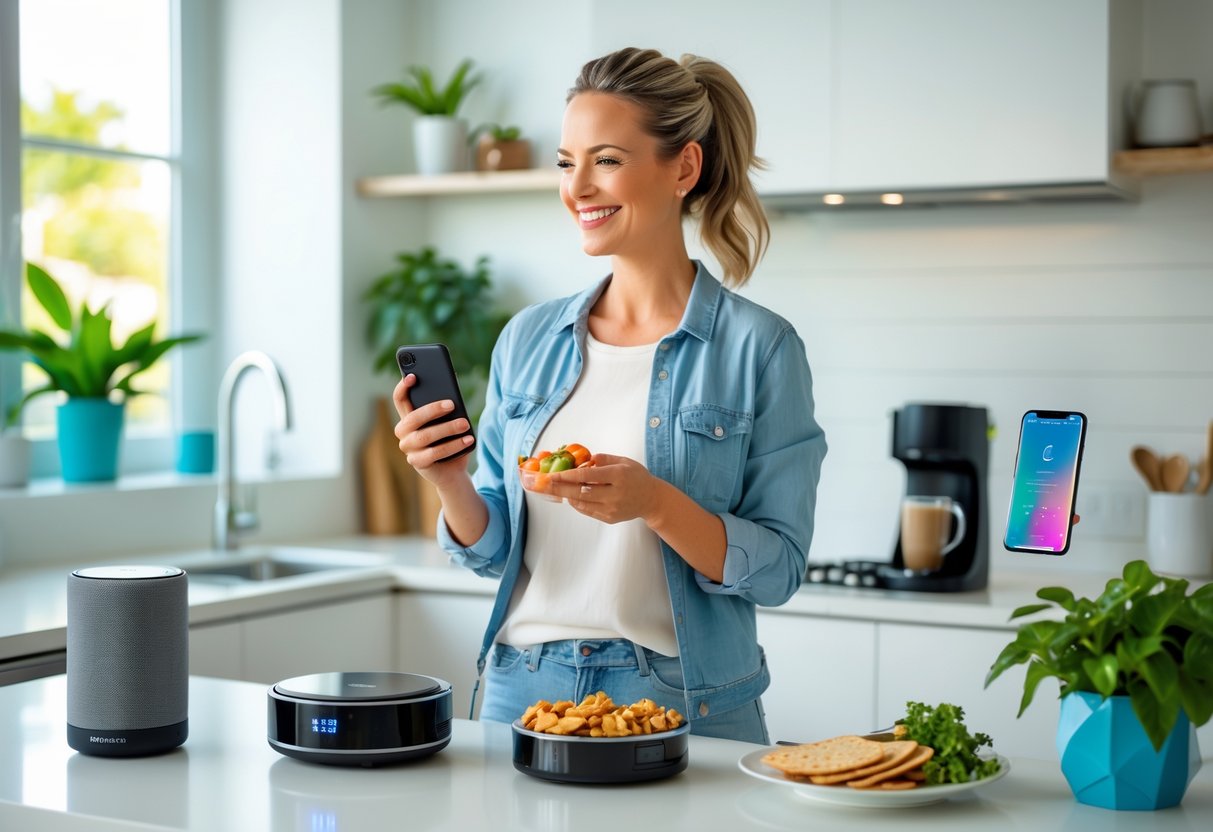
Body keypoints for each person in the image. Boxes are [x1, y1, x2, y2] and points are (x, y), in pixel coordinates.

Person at [392, 47, 826, 744]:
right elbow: (495, 550)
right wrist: (446, 480)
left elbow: (777, 570)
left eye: (606, 160)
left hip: (685, 696)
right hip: (520, 689)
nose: (578, 188)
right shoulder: (528, 337)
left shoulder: (759, 348)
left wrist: (654, 503)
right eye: (566, 163)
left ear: (683, 167)